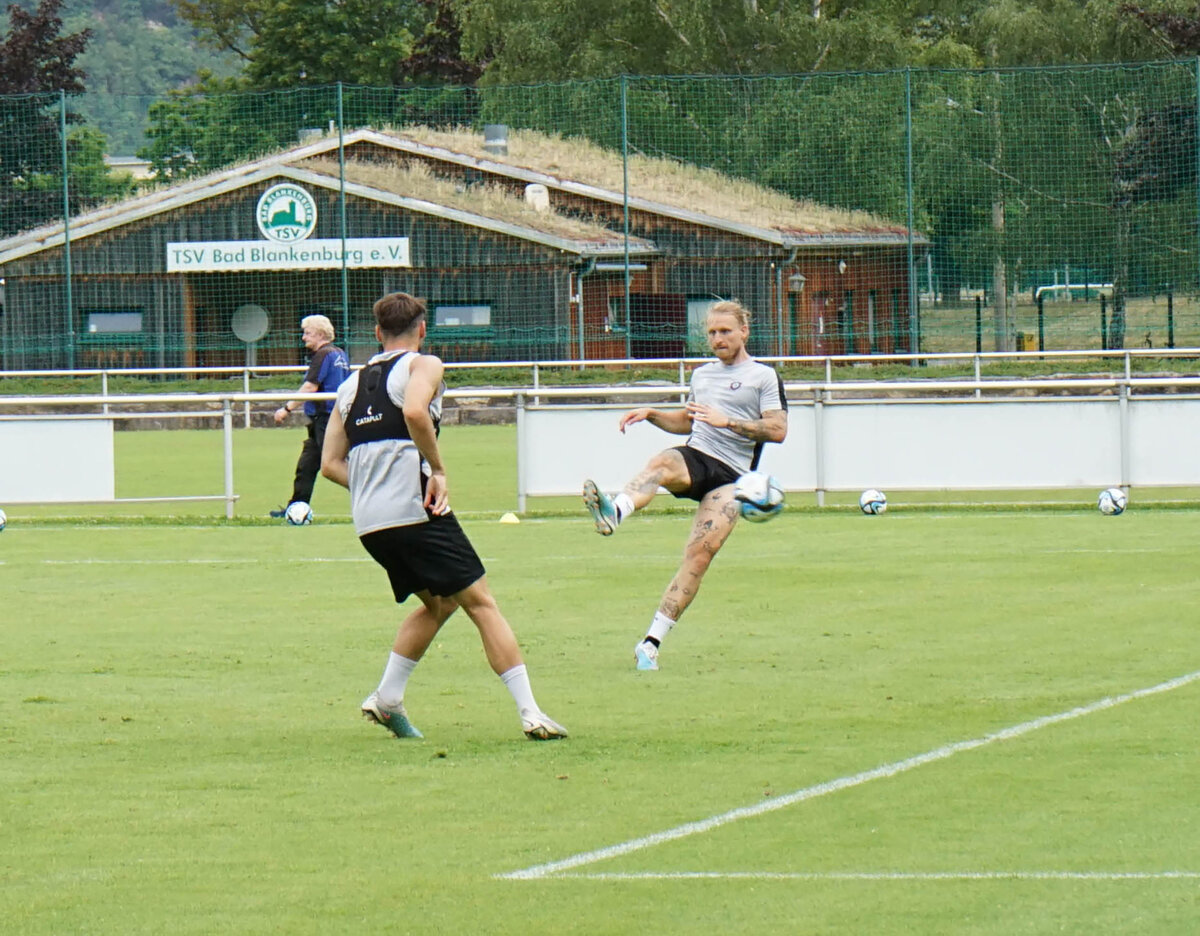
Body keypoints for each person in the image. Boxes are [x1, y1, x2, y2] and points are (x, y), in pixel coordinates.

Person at [320, 291, 567, 741]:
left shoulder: (348, 386)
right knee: (482, 602)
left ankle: (387, 698)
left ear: (377, 333)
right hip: (416, 511)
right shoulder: (424, 364)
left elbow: (329, 464)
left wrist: (377, 488)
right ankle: (531, 713)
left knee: (440, 603)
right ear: (422, 330)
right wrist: (437, 470)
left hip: (371, 524)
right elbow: (415, 410)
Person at [583, 300, 788, 671]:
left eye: (725, 331)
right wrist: (652, 414)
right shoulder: (702, 375)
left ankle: (650, 643)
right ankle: (616, 511)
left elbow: (777, 429)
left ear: (744, 331)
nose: (718, 338)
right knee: (662, 462)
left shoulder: (763, 376)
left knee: (698, 556)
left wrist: (728, 422)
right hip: (697, 457)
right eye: (712, 333)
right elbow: (690, 422)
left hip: (733, 477)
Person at [270, 314, 351, 518]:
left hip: (327, 419)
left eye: (308, 333)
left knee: (334, 465)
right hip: (325, 420)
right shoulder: (340, 353)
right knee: (306, 466)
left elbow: (310, 387)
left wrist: (286, 409)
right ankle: (295, 508)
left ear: (320, 334)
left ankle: (371, 496)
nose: (304, 337)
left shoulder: (322, 355)